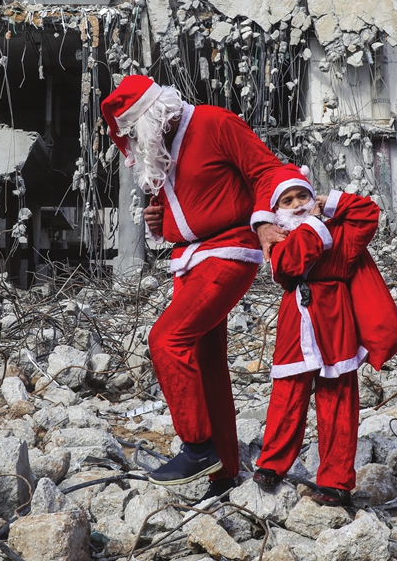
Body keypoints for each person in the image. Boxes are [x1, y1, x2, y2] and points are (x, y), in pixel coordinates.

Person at [101, 74, 286, 498]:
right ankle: (224, 474)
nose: (131, 142)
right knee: (206, 364)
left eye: (131, 131)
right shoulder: (161, 147)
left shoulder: (214, 123)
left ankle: (198, 446)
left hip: (228, 252)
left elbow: (266, 171)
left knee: (166, 339)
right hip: (189, 260)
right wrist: (159, 223)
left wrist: (266, 223)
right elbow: (187, 214)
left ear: (150, 116)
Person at [252, 165, 397, 506]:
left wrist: (330, 203)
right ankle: (273, 464)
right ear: (277, 210)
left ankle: (335, 481)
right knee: (287, 394)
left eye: (302, 195)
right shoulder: (276, 241)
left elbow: (368, 213)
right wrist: (315, 223)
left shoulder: (340, 232)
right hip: (296, 321)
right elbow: (288, 266)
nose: (297, 204)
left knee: (338, 399)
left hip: (336, 320)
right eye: (287, 200)